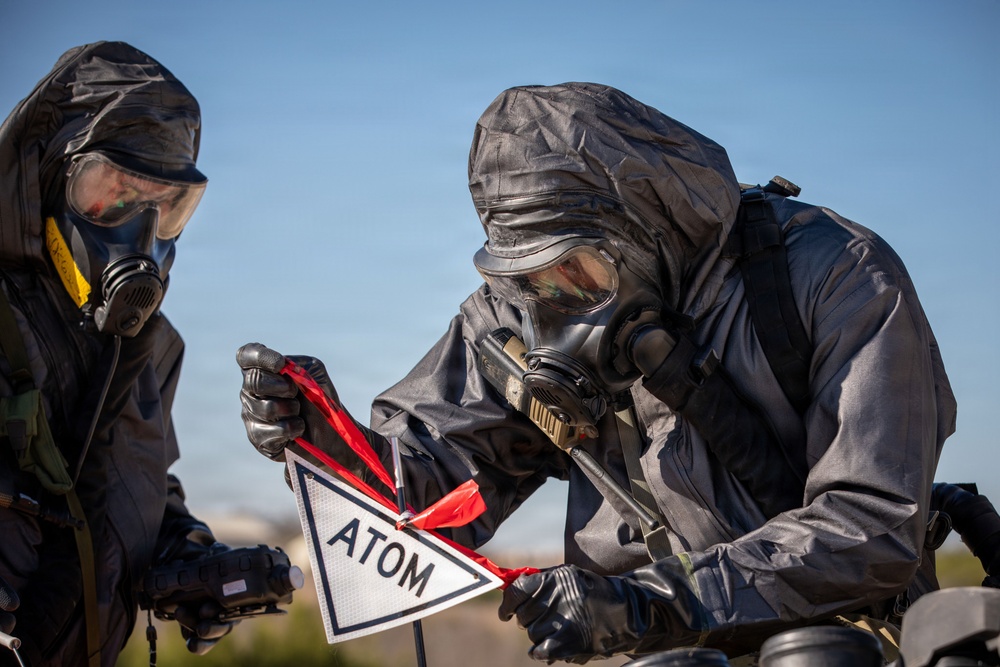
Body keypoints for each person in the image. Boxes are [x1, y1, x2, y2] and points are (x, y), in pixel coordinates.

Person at [238, 83, 960, 663]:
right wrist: (326, 443)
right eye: (528, 280)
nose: (553, 305)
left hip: (842, 642)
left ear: (647, 229)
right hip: (646, 653)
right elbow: (429, 493)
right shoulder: (507, 324)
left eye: (575, 271)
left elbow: (872, 520)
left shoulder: (833, 277)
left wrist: (664, 598)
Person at [0, 42, 237, 666]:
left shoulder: (147, 348)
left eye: (164, 206)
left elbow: (137, 484)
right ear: (48, 180)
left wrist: (186, 557)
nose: (138, 229)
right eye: (113, 195)